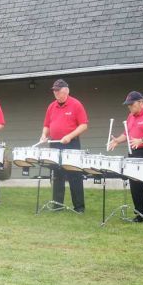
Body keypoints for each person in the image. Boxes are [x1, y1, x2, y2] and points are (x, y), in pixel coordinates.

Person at [108, 91, 143, 224]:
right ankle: (140, 214)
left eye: (131, 104)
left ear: (140, 103)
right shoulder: (131, 116)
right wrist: (117, 141)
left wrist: (141, 140)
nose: (129, 107)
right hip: (134, 152)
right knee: (135, 185)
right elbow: (126, 134)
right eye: (128, 105)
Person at [40, 79, 88, 213]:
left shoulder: (76, 104)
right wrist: (44, 135)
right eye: (54, 91)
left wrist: (70, 136)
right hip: (54, 144)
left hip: (71, 143)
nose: (55, 93)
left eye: (58, 90)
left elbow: (83, 125)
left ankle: (79, 207)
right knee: (57, 174)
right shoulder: (51, 106)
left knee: (74, 175)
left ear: (66, 91)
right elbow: (46, 125)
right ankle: (57, 205)